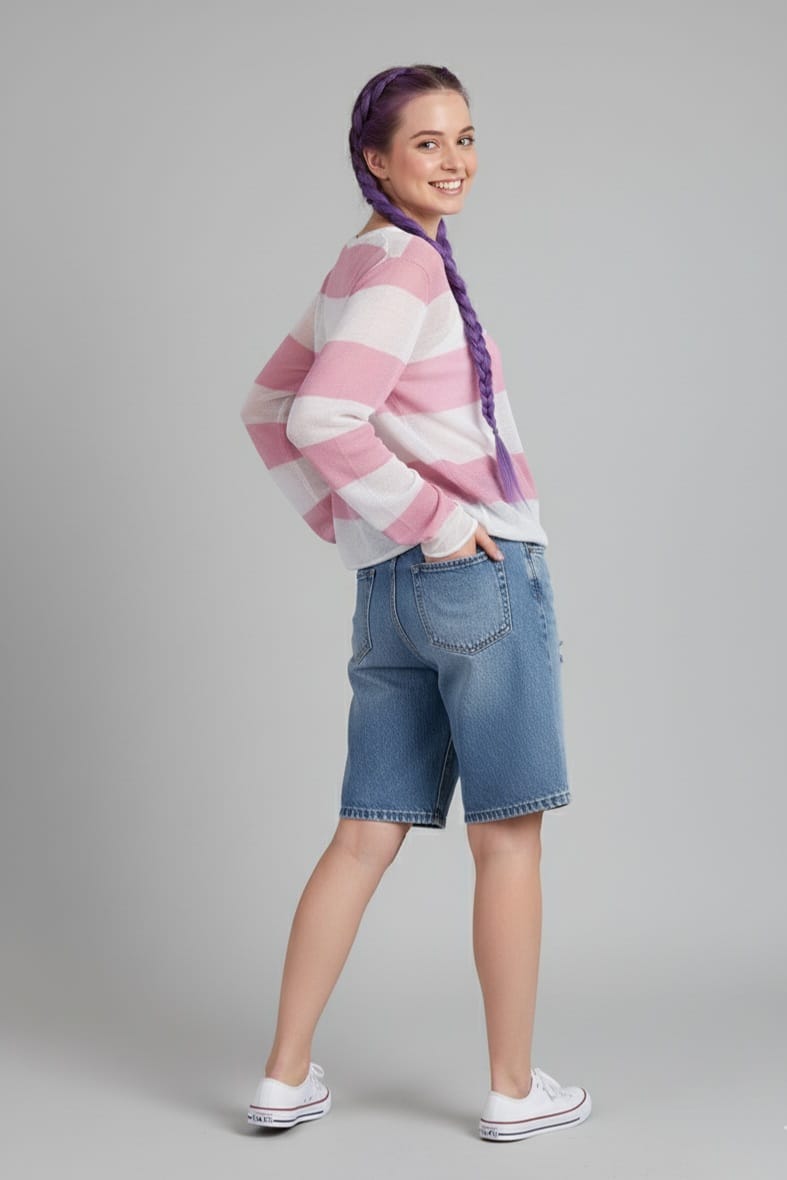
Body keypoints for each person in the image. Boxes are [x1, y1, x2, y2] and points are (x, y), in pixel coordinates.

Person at [240, 64, 591, 1143]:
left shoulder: (358, 265)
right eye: (427, 143)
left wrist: (360, 531)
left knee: (363, 834)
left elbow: (266, 409)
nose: (454, 161)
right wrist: (436, 522)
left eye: (465, 137)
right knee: (508, 836)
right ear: (376, 159)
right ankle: (512, 1088)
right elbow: (315, 417)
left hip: (390, 591)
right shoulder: (409, 268)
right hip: (473, 573)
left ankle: (283, 1077)